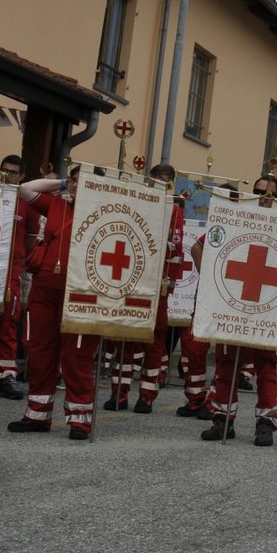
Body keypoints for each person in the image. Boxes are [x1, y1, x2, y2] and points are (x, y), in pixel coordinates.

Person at [7, 166, 101, 441]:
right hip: (44, 292)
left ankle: (80, 421)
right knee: (41, 354)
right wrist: (60, 182)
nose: (75, 185)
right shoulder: (57, 204)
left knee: (76, 358)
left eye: (82, 182)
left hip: (80, 294)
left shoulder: (102, 213)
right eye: (73, 180)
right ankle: (37, 415)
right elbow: (27, 189)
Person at [202, 175, 277, 447]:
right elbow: (201, 247)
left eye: (268, 194)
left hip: (268, 309)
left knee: (267, 369)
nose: (261, 196)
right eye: (258, 191)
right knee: (226, 367)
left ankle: (265, 425)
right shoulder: (235, 218)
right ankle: (222, 421)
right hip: (234, 306)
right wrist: (211, 285)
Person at [102, 163, 185, 416]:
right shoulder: (136, 203)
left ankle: (147, 396)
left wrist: (166, 286)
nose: (160, 184)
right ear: (149, 180)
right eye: (157, 179)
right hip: (130, 282)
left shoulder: (174, 210)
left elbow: (176, 252)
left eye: (166, 181)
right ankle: (119, 393)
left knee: (154, 341)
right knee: (124, 339)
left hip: (155, 286)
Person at [0, 153, 30, 400]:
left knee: (7, 324)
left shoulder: (27, 203)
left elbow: (29, 240)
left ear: (22, 177)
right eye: (3, 171)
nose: (7, 176)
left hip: (11, 272)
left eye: (13, 172)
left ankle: (7, 376)